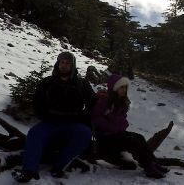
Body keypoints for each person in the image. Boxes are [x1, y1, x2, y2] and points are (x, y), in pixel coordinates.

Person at [12, 51, 96, 183]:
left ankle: (59, 166)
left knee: (85, 133)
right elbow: (37, 102)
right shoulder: (47, 82)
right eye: (62, 62)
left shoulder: (82, 84)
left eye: (67, 63)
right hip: (50, 122)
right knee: (34, 133)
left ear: (72, 65)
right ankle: (28, 171)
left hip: (72, 123)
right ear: (58, 64)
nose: (64, 65)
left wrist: (84, 115)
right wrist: (43, 115)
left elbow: (93, 102)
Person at [92, 74, 169, 179]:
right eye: (121, 87)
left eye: (125, 87)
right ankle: (149, 168)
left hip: (116, 133)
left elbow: (122, 120)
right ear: (114, 88)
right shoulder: (105, 100)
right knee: (133, 141)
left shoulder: (121, 101)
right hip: (104, 138)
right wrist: (111, 125)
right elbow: (95, 118)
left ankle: (153, 163)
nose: (124, 90)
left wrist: (120, 124)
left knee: (139, 137)